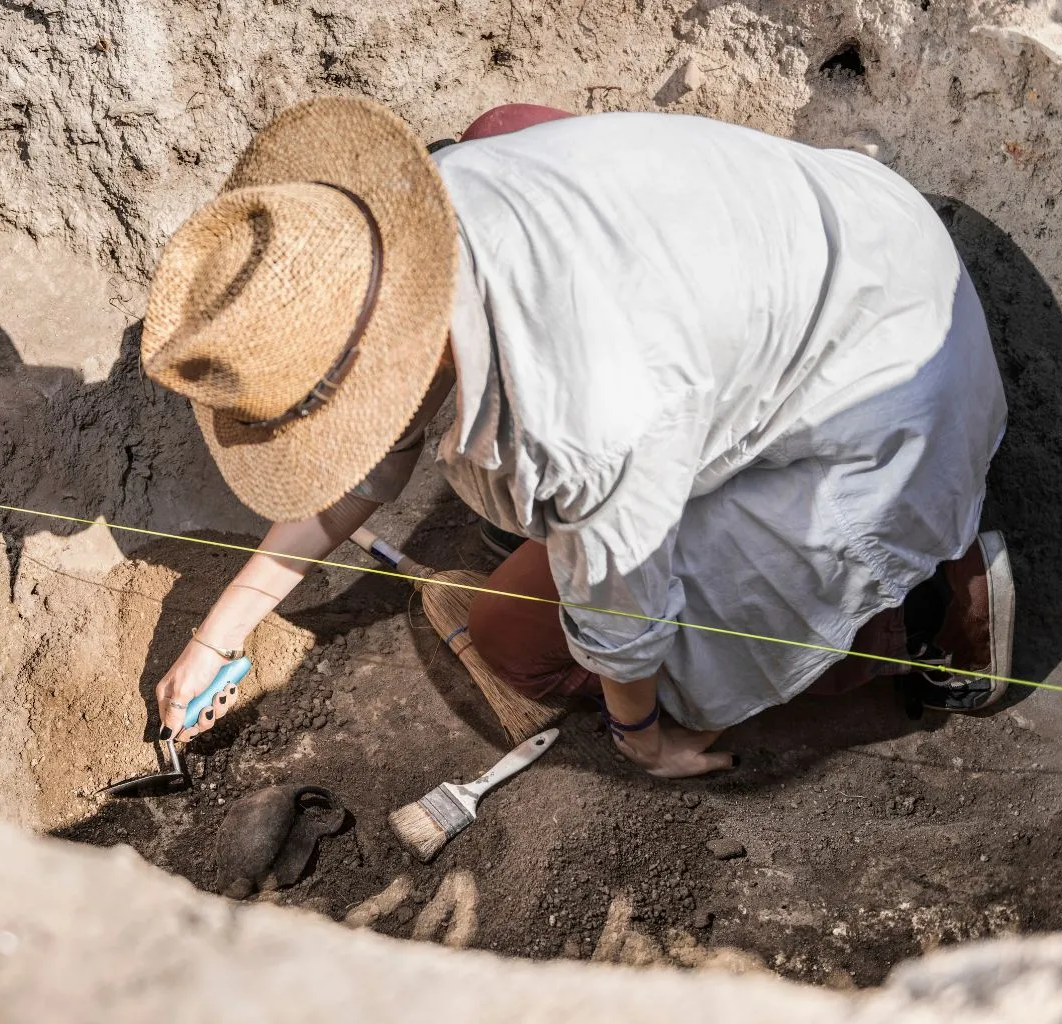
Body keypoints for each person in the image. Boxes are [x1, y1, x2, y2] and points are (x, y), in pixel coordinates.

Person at [135, 97, 1011, 779]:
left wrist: (644, 740)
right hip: (847, 233)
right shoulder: (435, 201)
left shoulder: (579, 420)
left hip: (891, 403)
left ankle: (927, 607)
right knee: (508, 126)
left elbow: (623, 618)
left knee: (516, 642)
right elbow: (368, 465)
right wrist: (222, 632)